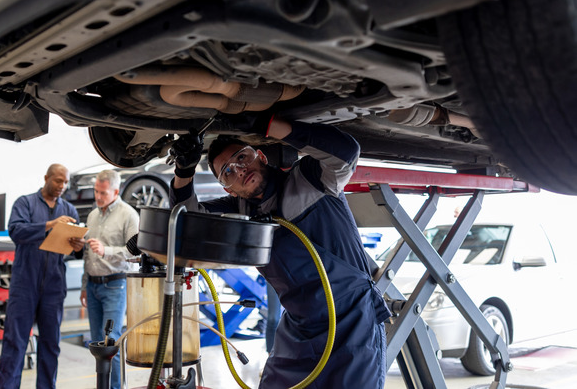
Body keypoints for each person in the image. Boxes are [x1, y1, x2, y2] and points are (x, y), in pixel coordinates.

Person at [169, 115, 391, 388]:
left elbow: (346, 153)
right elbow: (186, 221)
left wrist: (272, 125)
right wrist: (184, 171)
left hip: (353, 321)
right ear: (229, 189)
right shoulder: (239, 211)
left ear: (260, 155)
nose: (239, 170)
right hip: (300, 327)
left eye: (242, 157)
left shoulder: (311, 179)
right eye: (227, 172)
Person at [0, 164, 83, 389]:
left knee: (51, 344)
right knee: (15, 342)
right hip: (25, 283)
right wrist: (50, 225)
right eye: (57, 181)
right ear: (46, 178)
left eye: (65, 182)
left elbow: (75, 250)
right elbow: (16, 231)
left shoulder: (70, 211)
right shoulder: (24, 203)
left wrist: (78, 245)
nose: (61, 186)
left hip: (54, 286)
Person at [70, 169, 139, 389]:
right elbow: (89, 255)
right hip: (92, 286)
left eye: (103, 192)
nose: (98, 196)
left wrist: (106, 250)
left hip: (115, 285)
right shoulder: (92, 215)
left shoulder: (129, 215)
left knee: (111, 343)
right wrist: (84, 286)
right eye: (96, 191)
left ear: (116, 191)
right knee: (98, 345)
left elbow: (136, 253)